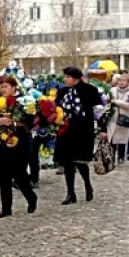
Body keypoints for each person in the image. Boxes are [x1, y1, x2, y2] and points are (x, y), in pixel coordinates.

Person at [0, 74, 38, 218]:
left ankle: (31, 197)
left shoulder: (25, 101)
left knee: (19, 174)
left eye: (5, 87)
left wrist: (15, 122)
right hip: (2, 141)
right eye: (1, 86)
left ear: (14, 87)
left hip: (20, 141)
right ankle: (6, 208)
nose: (2, 89)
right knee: (3, 175)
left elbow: (32, 120)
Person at [54, 66, 104, 205]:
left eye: (68, 77)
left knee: (80, 161)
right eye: (65, 77)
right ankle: (70, 193)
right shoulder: (62, 91)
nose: (65, 79)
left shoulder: (89, 90)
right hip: (65, 130)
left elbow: (99, 110)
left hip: (82, 130)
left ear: (75, 78)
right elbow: (56, 108)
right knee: (67, 162)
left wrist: (102, 128)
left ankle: (88, 186)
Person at [108, 74, 129, 165]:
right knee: (112, 138)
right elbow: (108, 100)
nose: (121, 82)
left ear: (128, 82)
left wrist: (116, 101)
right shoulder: (112, 90)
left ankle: (121, 156)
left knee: (121, 139)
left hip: (124, 117)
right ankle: (111, 156)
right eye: (120, 80)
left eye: (124, 81)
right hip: (112, 117)